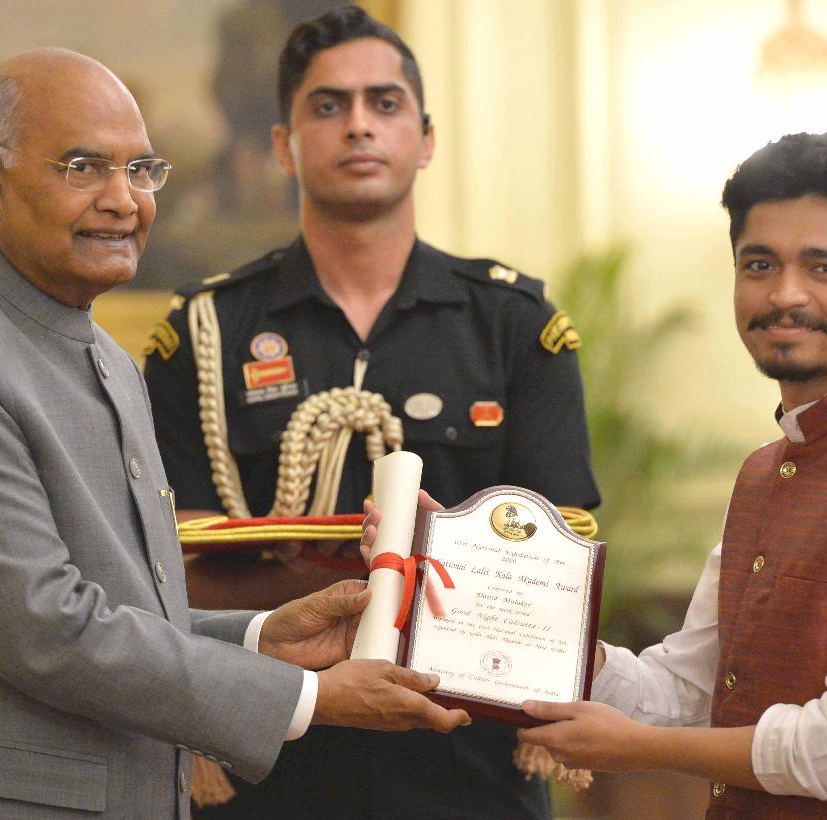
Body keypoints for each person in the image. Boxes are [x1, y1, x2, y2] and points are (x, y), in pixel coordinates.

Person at [0, 47, 469, 820]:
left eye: (142, 170)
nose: (124, 201)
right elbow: (48, 630)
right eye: (85, 167)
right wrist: (309, 697)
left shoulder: (111, 361)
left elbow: (120, 612)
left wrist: (263, 638)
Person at [142, 6, 599, 818]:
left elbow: (558, 553)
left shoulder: (514, 326)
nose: (359, 125)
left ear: (425, 139)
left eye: (384, 104)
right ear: (284, 145)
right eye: (328, 106)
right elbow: (168, 561)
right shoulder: (205, 334)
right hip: (270, 758)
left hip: (466, 760)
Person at [508, 130, 827, 815]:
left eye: (825, 268)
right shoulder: (768, 471)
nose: (785, 294)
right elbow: (687, 691)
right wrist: (489, 590)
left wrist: (639, 749)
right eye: (759, 265)